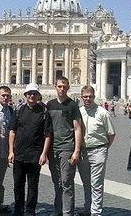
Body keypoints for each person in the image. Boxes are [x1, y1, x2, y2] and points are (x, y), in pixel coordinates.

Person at [8, 83, 52, 216]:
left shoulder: (44, 112)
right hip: (19, 154)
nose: (31, 96)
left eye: (34, 93)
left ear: (39, 96)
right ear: (25, 95)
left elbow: (48, 134)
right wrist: (11, 151)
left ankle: (30, 210)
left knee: (33, 185)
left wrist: (44, 153)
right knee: (18, 185)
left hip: (35, 154)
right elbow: (12, 131)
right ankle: (18, 209)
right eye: (29, 93)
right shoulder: (18, 110)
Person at [77, 86, 116, 216]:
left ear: (94, 97)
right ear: (81, 97)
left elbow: (111, 134)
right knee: (86, 183)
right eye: (85, 97)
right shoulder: (78, 112)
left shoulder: (103, 113)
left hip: (98, 150)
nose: (87, 99)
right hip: (82, 151)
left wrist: (104, 148)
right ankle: (87, 209)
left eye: (90, 96)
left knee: (96, 184)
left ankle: (96, 212)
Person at [47, 76, 82, 216]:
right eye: (60, 86)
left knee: (67, 182)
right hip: (52, 149)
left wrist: (76, 151)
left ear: (68, 88)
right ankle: (58, 211)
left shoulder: (72, 105)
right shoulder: (49, 105)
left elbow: (78, 128)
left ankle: (68, 213)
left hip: (67, 148)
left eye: (64, 86)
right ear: (55, 87)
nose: (62, 89)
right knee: (57, 182)